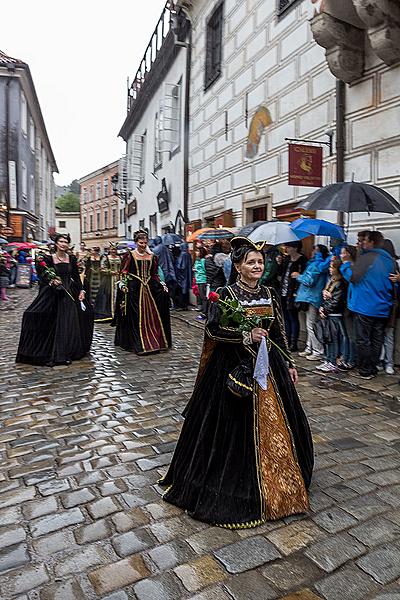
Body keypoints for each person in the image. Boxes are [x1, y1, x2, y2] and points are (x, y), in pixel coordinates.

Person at [159, 237, 313, 527]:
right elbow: (213, 330)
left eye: (260, 261)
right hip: (231, 369)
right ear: (238, 266)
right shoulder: (224, 293)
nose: (257, 266)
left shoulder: (269, 293)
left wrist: (290, 363)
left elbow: (277, 333)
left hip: (269, 369)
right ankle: (235, 486)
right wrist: (245, 336)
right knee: (231, 432)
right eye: (251, 262)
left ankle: (280, 481)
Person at [16, 233, 93, 366]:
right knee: (52, 321)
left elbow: (75, 275)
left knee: (69, 323)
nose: (63, 244)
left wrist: (82, 290)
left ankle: (68, 351)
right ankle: (57, 352)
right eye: (61, 241)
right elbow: (43, 276)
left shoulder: (72, 259)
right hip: (54, 295)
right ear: (56, 243)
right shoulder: (49, 259)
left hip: (69, 294)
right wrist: (52, 280)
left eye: (66, 242)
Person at [340, 230, 394, 379]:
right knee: (377, 339)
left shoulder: (368, 258)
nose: (362, 243)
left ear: (372, 242)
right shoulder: (389, 259)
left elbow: (352, 277)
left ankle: (365, 370)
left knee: (363, 339)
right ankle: (373, 368)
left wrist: (345, 265)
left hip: (365, 305)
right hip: (383, 305)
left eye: (365, 241)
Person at [113, 230, 171, 355]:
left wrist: (162, 284)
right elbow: (124, 272)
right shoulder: (130, 255)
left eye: (145, 242)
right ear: (136, 242)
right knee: (136, 316)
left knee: (153, 316)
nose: (143, 245)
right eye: (140, 243)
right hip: (134, 289)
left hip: (149, 288)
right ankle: (139, 344)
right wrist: (123, 284)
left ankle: (154, 342)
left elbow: (154, 274)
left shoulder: (152, 257)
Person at [294, 245, 329, 361]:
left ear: (317, 252)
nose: (312, 251)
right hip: (313, 297)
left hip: (311, 297)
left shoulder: (315, 265)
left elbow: (309, 281)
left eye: (314, 249)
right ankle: (310, 347)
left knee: (311, 325)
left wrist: (298, 276)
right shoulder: (319, 264)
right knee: (310, 324)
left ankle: (317, 350)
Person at [316, 259, 348, 373]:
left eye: (332, 267)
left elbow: (336, 301)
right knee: (327, 338)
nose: (330, 269)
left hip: (334, 314)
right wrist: (322, 307)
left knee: (333, 339)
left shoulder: (340, 283)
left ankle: (332, 362)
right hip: (327, 313)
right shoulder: (331, 281)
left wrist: (325, 308)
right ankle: (327, 359)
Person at [278, 241, 307, 352]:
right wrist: (280, 264)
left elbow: (304, 277)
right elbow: (280, 274)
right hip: (284, 292)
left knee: (293, 317)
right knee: (285, 317)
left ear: (295, 248)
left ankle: (294, 343)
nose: (286, 248)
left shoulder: (302, 260)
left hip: (294, 293)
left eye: (288, 246)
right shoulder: (286, 259)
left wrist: (298, 276)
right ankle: (287, 341)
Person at [378, 239, 399, 375]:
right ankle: (381, 360)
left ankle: (389, 362)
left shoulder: (395, 263)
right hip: (380, 302)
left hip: (391, 303)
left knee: (388, 334)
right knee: (379, 334)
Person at [339, 244, 358, 370]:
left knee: (351, 335)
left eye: (343, 253)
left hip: (351, 304)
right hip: (344, 303)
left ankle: (351, 360)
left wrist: (345, 264)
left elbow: (350, 277)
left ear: (348, 254)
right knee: (345, 334)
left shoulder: (350, 267)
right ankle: (345, 357)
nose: (341, 255)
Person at [93, 243, 121, 322]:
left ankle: (118, 314)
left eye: (114, 249)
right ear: (109, 250)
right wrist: (111, 272)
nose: (113, 251)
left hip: (118, 279)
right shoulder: (106, 258)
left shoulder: (120, 258)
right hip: (109, 280)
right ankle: (108, 314)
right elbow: (102, 269)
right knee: (108, 296)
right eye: (112, 249)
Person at [174, 242, 193, 311]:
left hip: (182, 277)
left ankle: (182, 305)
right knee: (185, 291)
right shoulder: (187, 254)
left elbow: (181, 266)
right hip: (186, 275)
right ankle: (185, 305)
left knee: (182, 291)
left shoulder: (183, 255)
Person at [193, 246, 207, 321]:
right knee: (200, 296)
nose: (196, 252)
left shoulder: (203, 260)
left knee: (203, 296)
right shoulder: (197, 260)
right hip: (198, 279)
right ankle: (202, 310)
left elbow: (205, 270)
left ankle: (204, 312)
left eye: (198, 251)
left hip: (203, 280)